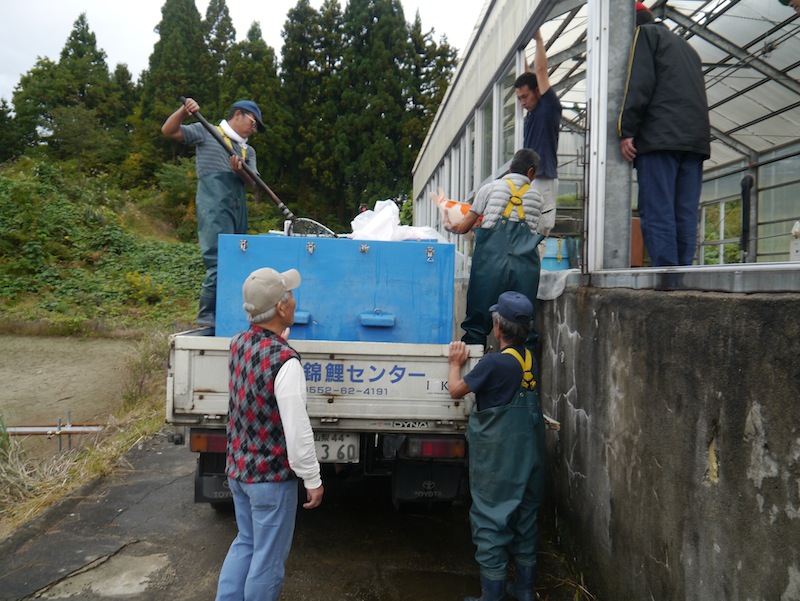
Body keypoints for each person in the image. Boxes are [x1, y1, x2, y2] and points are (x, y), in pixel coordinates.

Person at [215, 267, 323, 601]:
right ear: (281, 308)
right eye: (289, 295)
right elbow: (297, 428)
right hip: (271, 480)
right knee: (269, 560)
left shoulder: (239, 344)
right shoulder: (285, 361)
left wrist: (278, 345)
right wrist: (312, 478)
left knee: (246, 542)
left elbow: (259, 371)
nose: (294, 300)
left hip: (239, 471)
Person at [448, 291, 546, 601]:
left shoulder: (493, 364)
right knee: (525, 517)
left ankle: (491, 597)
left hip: (500, 458)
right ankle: (525, 590)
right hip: (531, 454)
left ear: (497, 328)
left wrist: (455, 362)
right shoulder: (528, 357)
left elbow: (455, 391)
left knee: (492, 520)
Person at [617, 2, 711, 266]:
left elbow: (640, 83)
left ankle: (667, 283)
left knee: (659, 211)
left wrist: (627, 130)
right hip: (694, 141)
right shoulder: (687, 48)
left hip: (660, 139)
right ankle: (683, 276)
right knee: (684, 212)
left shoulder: (645, 35)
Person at [162, 98, 265, 327]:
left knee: (238, 259)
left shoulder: (248, 150)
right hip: (214, 206)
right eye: (253, 122)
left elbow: (253, 182)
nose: (254, 129)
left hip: (238, 208)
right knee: (218, 260)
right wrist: (183, 111)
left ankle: (230, 312)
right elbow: (169, 130)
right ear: (238, 114)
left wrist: (241, 171)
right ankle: (206, 315)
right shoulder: (206, 131)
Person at [444, 148, 544, 349]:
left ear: (509, 168)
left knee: (476, 326)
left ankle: (473, 373)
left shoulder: (489, 189)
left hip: (489, 266)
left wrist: (449, 224)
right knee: (522, 327)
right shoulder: (538, 198)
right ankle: (524, 376)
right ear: (531, 172)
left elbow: (463, 227)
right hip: (524, 269)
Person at [514, 30, 562, 238]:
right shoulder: (531, 114)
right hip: (531, 179)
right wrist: (519, 48)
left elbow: (540, 72)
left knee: (539, 231)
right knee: (527, 229)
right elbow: (527, 74)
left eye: (525, 97)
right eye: (519, 99)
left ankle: (536, 271)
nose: (523, 102)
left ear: (537, 92)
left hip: (544, 178)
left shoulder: (548, 107)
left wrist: (539, 39)